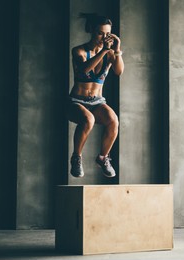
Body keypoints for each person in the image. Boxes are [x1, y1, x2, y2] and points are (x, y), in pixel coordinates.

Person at [67, 13, 124, 178]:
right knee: (88, 119)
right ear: (91, 30)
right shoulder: (79, 51)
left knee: (113, 120)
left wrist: (117, 49)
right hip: (76, 101)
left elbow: (119, 71)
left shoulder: (110, 53)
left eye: (108, 34)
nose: (104, 38)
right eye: (100, 33)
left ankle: (103, 158)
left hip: (97, 102)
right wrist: (105, 50)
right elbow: (85, 70)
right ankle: (76, 157)